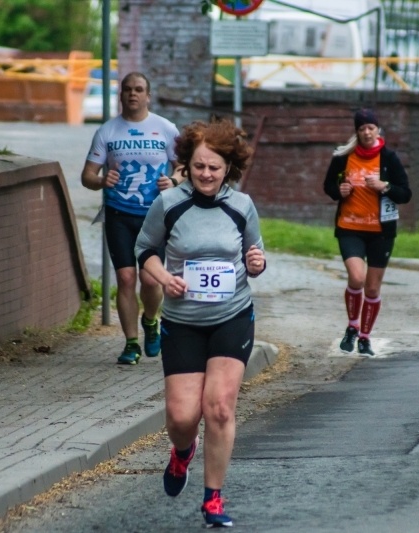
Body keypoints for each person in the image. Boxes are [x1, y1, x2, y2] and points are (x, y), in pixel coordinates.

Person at [135, 118, 265, 528]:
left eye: (214, 167)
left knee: (220, 408)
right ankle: (181, 452)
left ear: (229, 167)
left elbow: (254, 255)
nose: (206, 174)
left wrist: (257, 263)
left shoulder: (241, 206)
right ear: (186, 166)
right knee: (181, 418)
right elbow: (145, 249)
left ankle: (213, 499)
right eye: (199, 167)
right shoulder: (170, 204)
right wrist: (163, 277)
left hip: (232, 317)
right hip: (183, 321)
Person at [81, 72, 182, 365]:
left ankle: (150, 321)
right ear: (121, 95)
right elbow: (87, 176)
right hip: (119, 214)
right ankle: (130, 343)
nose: (133, 94)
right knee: (126, 278)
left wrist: (174, 181)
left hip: (154, 216)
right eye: (127, 90)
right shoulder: (107, 132)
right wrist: (101, 180)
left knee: (150, 281)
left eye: (139, 90)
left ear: (147, 96)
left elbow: (185, 167)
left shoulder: (165, 129)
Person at [323, 108, 412, 357]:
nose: (366, 132)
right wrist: (338, 191)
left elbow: (405, 193)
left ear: (377, 130)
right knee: (357, 278)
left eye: (370, 128)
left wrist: (385, 186)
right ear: (357, 132)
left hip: (381, 232)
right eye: (361, 129)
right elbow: (329, 185)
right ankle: (352, 326)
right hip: (349, 228)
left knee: (372, 289)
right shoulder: (343, 157)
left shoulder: (389, 158)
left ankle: (364, 336)